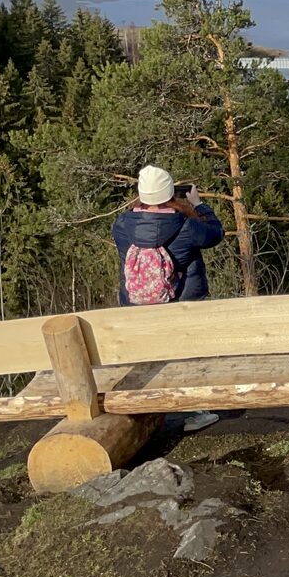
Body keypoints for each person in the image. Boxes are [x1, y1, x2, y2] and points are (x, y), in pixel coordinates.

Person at [112, 164, 225, 432]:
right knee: (189, 356)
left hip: (136, 307)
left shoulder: (122, 226)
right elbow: (216, 234)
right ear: (170, 193)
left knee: (149, 358)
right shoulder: (187, 225)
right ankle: (194, 412)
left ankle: (149, 411)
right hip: (181, 305)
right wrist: (198, 206)